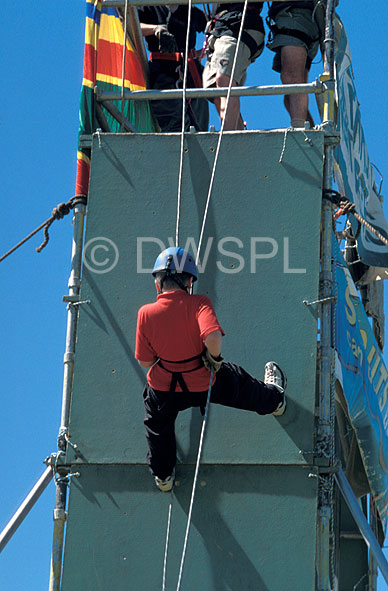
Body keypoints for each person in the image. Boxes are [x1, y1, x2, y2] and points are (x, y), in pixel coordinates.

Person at [135, 247, 287, 492]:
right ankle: (275, 402)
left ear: (158, 282)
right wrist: (213, 359)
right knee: (239, 384)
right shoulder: (199, 303)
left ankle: (163, 476)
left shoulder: (145, 313)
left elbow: (144, 362)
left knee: (157, 425)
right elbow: (213, 336)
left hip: (164, 387)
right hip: (202, 380)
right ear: (189, 281)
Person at [138, 5, 209, 132]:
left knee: (199, 127)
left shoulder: (191, 12)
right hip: (163, 73)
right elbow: (129, 25)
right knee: (172, 125)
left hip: (192, 74)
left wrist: (201, 53)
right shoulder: (149, 7)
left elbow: (213, 28)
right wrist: (155, 29)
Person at [202, 3, 265, 130]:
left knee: (224, 80)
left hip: (240, 25)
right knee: (214, 88)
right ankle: (238, 134)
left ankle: (228, 138)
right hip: (221, 29)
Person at [267, 1, 328, 128]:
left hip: (296, 16)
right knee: (290, 96)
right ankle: (308, 130)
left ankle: (300, 131)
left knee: (292, 79)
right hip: (296, 18)